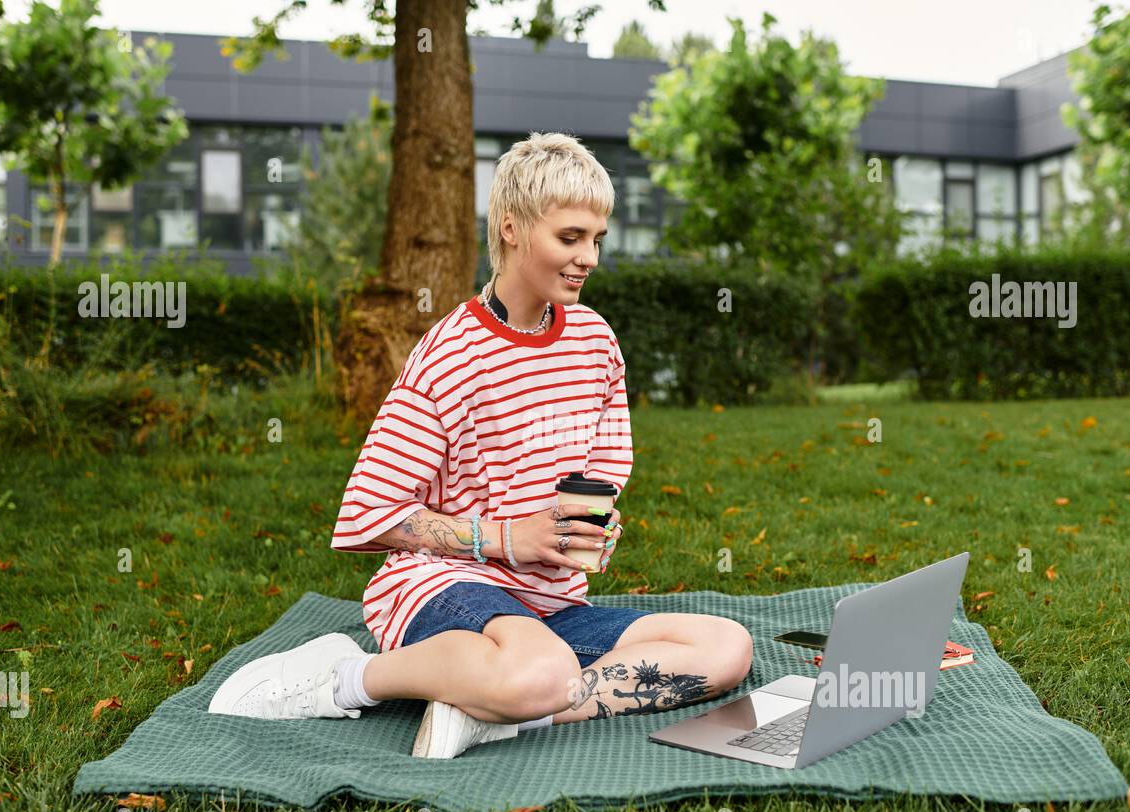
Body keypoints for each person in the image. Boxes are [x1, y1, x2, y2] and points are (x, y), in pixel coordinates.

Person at [209, 132, 753, 757]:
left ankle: (505, 712)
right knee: (542, 670)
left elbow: (598, 479)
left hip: (548, 606)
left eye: (597, 240)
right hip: (440, 584)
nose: (590, 258)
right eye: (570, 237)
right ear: (512, 228)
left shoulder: (596, 342)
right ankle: (345, 678)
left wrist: (591, 529)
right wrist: (504, 539)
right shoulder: (452, 353)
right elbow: (373, 512)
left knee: (725, 648)